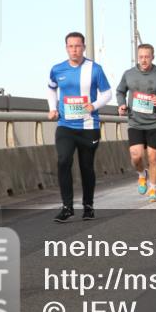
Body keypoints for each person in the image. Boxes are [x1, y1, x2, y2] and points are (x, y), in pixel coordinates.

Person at [47, 32, 112, 223]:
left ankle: (88, 206)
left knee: (86, 166)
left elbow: (107, 93)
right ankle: (67, 207)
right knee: (63, 160)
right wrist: (52, 108)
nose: (74, 50)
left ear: (83, 47)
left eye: (77, 46)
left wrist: (94, 105)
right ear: (66, 47)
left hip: (89, 126)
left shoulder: (95, 69)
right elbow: (51, 88)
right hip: (65, 125)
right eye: (70, 46)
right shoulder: (57, 69)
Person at [116, 43, 156, 202]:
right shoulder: (128, 74)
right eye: (141, 57)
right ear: (137, 57)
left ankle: (153, 189)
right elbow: (120, 91)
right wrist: (121, 104)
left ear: (153, 57)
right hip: (135, 121)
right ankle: (142, 174)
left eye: (147, 57)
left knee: (153, 158)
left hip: (155, 122)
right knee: (136, 156)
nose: (144, 60)